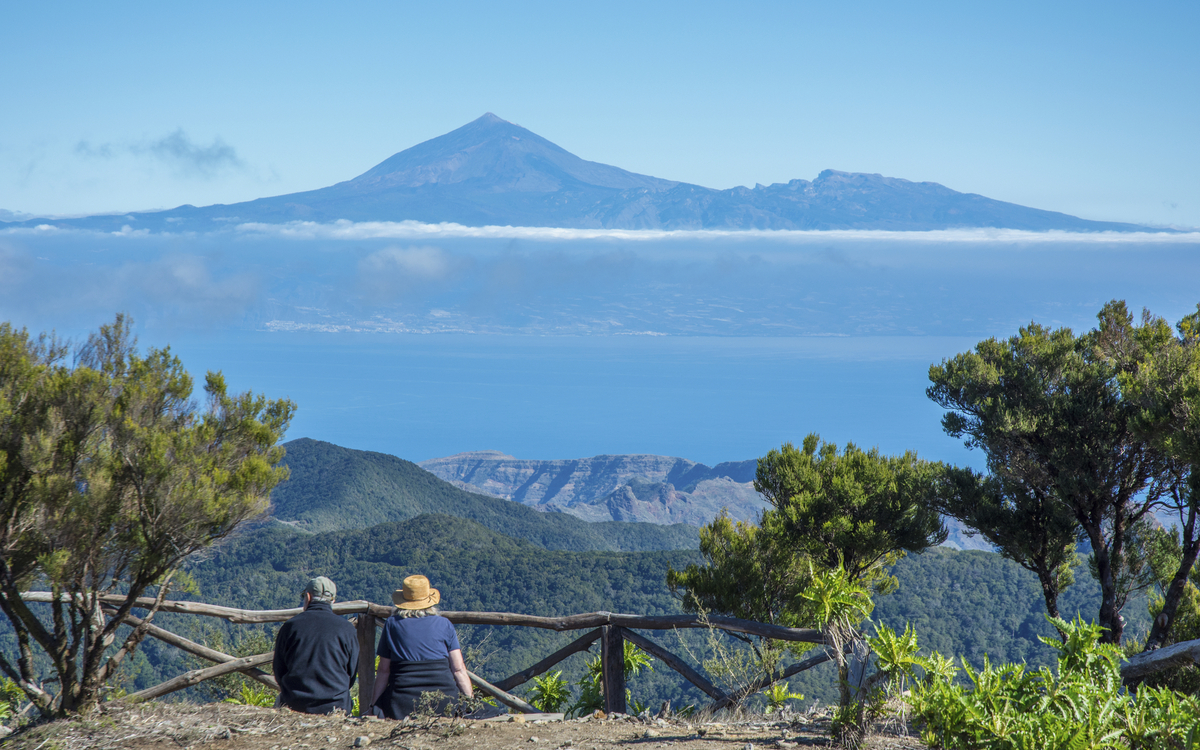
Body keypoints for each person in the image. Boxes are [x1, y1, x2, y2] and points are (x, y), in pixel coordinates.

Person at [370, 574, 473, 719]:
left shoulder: (392, 624)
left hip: (402, 702)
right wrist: (470, 703)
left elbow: (383, 671)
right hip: (445, 701)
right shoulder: (445, 624)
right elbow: (458, 669)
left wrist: (373, 706)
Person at [273, 576, 359, 714]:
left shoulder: (290, 626)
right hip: (336, 706)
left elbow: (279, 670)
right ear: (333, 601)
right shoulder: (347, 629)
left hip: (295, 704)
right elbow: (352, 672)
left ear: (307, 597)